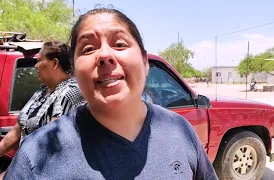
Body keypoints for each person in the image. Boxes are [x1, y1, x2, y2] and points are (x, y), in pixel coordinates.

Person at [4, 7, 218, 180]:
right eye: (88, 49)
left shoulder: (180, 131)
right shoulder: (36, 154)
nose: (105, 55)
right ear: (75, 73)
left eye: (119, 43)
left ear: (144, 63)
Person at [0, 41, 85, 177]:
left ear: (54, 63)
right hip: (26, 167)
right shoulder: (42, 90)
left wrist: (9, 174)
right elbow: (17, 131)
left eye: (39, 60)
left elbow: (48, 143)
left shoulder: (70, 91)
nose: (36, 65)